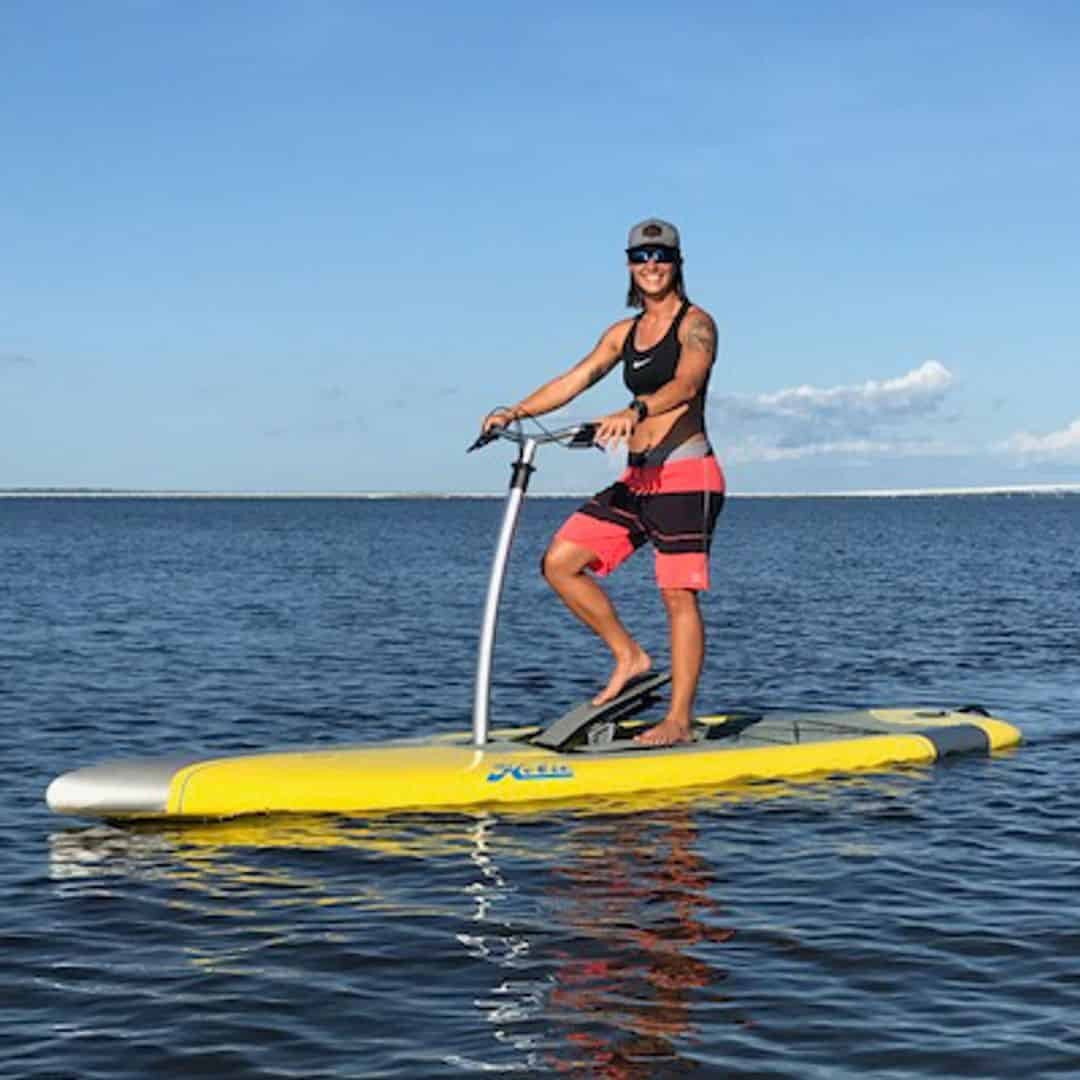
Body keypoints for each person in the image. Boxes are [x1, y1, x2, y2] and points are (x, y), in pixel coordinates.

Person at [482, 218, 725, 746]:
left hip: (686, 474)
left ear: (677, 262)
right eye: (641, 258)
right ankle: (630, 656)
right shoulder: (623, 332)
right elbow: (576, 377)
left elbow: (687, 383)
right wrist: (515, 411)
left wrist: (635, 408)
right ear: (629, 266)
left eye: (660, 256)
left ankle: (678, 721)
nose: (651, 266)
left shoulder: (696, 324)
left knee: (677, 595)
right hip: (637, 481)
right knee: (561, 562)